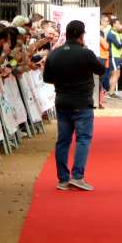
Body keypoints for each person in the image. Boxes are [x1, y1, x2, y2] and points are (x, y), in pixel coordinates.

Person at [42, 20, 105, 191]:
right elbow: (101, 70)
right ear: (81, 35)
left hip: (62, 101)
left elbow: (46, 78)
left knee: (63, 141)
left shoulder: (55, 54)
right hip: (82, 101)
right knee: (83, 139)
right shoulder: (86, 53)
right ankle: (77, 175)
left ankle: (63, 178)